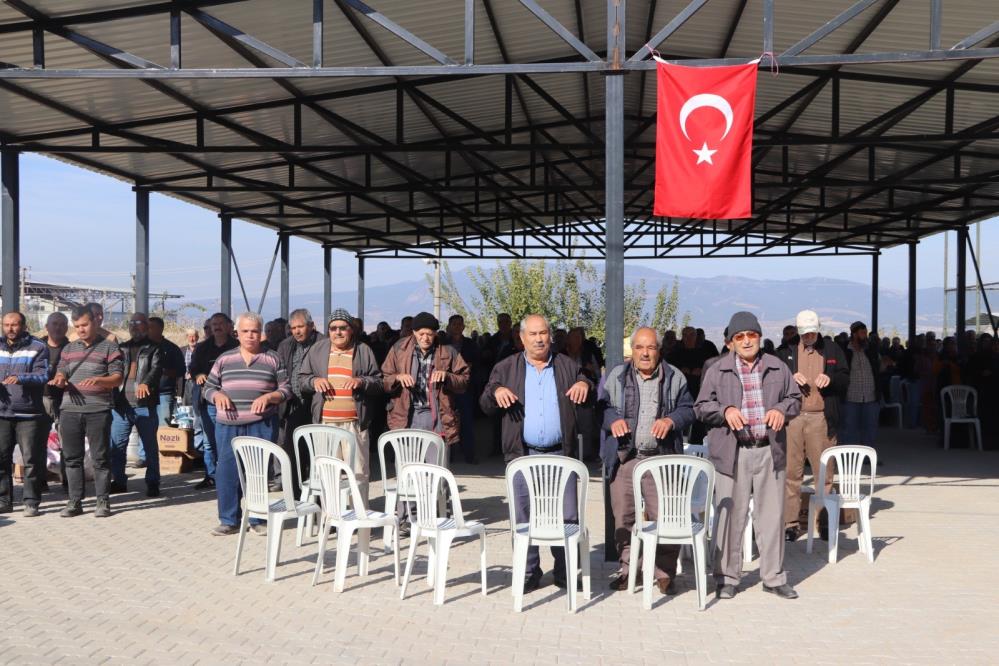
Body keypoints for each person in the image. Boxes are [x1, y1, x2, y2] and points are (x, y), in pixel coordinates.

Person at [480, 314, 591, 592]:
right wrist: (497, 392)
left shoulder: (567, 364)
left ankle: (565, 571)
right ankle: (529, 571)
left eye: (544, 333)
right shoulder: (506, 368)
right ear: (522, 338)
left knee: (565, 516)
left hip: (560, 455)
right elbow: (484, 404)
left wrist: (584, 384)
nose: (540, 339)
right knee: (523, 515)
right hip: (522, 455)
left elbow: (587, 388)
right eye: (533, 334)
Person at [694, 311, 802, 601]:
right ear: (730, 342)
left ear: (759, 337)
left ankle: (774, 577)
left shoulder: (778, 367)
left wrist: (781, 410)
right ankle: (727, 578)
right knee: (731, 517)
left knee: (772, 517)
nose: (746, 341)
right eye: (739, 337)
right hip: (733, 453)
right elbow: (701, 406)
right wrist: (724, 411)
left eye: (751, 335)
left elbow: (795, 399)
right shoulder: (717, 370)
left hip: (769, 450)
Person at [600, 327, 695, 594]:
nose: (645, 353)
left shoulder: (674, 376)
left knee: (664, 517)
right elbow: (602, 407)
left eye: (651, 348)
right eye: (640, 347)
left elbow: (689, 410)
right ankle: (630, 570)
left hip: (660, 458)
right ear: (633, 350)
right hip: (625, 456)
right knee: (623, 517)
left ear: (659, 350)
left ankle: (664, 572)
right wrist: (613, 420)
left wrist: (671, 420)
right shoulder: (617, 375)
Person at [202, 312, 291, 536]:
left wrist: (269, 397)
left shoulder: (273, 358)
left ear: (260, 333)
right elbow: (208, 388)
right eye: (245, 331)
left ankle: (258, 517)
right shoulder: (225, 359)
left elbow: (286, 389)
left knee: (259, 471)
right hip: (228, 425)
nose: (250, 335)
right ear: (237, 333)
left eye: (254, 331)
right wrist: (217, 396)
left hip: (261, 424)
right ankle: (229, 519)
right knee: (227, 471)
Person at [382, 312, 469, 532]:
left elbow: (465, 379)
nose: (425, 338)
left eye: (429, 334)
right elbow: (383, 379)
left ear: (435, 334)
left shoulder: (447, 352)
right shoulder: (399, 349)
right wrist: (397, 379)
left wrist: (447, 376)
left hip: (438, 417)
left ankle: (439, 516)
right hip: (406, 417)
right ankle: (406, 519)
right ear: (414, 333)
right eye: (421, 334)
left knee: (439, 470)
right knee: (407, 469)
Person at [774, 310, 849, 541]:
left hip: (821, 418)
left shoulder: (833, 349)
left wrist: (831, 379)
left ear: (819, 329)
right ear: (798, 332)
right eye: (805, 334)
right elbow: (772, 381)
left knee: (824, 473)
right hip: (793, 418)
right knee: (792, 473)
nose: (809, 337)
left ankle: (824, 522)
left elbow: (846, 378)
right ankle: (791, 523)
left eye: (812, 333)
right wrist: (789, 376)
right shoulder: (784, 352)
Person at [298, 308, 383, 507]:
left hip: (354, 423)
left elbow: (379, 382)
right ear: (328, 330)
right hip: (325, 423)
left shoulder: (363, 350)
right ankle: (332, 516)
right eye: (333, 328)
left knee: (359, 472)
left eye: (343, 328)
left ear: (351, 330)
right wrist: (314, 381)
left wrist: (361, 381)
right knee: (328, 472)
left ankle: (359, 514)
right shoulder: (317, 349)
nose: (338, 332)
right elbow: (302, 380)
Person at [49, 305, 124, 518]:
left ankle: (103, 501)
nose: (81, 329)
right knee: (72, 458)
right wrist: (60, 379)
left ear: (95, 322)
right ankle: (75, 501)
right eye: (77, 326)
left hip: (98, 410)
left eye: (85, 324)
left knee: (100, 458)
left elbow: (117, 378)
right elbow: (62, 370)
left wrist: (101, 379)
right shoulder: (69, 349)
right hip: (69, 410)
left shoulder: (110, 348)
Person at [0, 311, 49, 516]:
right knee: (1, 459)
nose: (10, 329)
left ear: (24, 325)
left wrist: (21, 378)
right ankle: (4, 500)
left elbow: (43, 375)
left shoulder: (37, 347)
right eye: (6, 325)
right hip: (2, 413)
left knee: (31, 460)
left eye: (15, 325)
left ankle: (31, 502)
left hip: (28, 414)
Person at [109, 313, 163, 497]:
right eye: (131, 324)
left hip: (144, 405)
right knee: (117, 446)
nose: (134, 327)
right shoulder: (122, 348)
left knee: (149, 447)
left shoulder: (154, 348)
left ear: (147, 327)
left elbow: (156, 369)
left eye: (139, 323)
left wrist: (145, 383)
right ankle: (119, 481)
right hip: (121, 405)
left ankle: (153, 482)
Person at [273, 308, 322, 495]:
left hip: (317, 405)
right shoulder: (285, 345)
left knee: (316, 452)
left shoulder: (323, 343)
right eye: (293, 328)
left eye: (300, 326)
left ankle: (317, 497)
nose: (297, 331)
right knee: (293, 451)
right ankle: (296, 495)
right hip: (293, 405)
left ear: (311, 325)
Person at [188, 312, 238, 489]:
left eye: (220, 323)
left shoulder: (237, 347)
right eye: (213, 324)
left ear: (229, 326)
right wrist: (199, 375)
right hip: (208, 402)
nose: (216, 327)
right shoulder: (202, 348)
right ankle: (211, 476)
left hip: (232, 403)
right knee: (209, 441)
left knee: (229, 441)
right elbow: (193, 367)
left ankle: (231, 477)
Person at [842, 321, 881, 453]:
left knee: (870, 428)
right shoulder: (845, 351)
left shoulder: (870, 350)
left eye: (865, 332)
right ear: (854, 334)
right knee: (850, 428)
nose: (865, 335)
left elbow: (876, 369)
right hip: (851, 396)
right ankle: (850, 456)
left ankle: (868, 456)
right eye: (862, 333)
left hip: (870, 395)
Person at [446, 314, 480, 464]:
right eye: (454, 324)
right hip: (446, 389)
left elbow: (476, 362)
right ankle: (449, 455)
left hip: (465, 388)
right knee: (448, 421)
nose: (457, 327)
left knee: (466, 422)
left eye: (460, 324)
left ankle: (469, 455)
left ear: (464, 326)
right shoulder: (442, 344)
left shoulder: (470, 344)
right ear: (448, 326)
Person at [148, 316, 184, 426]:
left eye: (151, 327)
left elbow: (181, 371)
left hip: (163, 394)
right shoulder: (142, 347)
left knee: (163, 427)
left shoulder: (172, 348)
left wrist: (163, 371)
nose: (147, 329)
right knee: (145, 426)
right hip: (145, 394)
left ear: (160, 329)